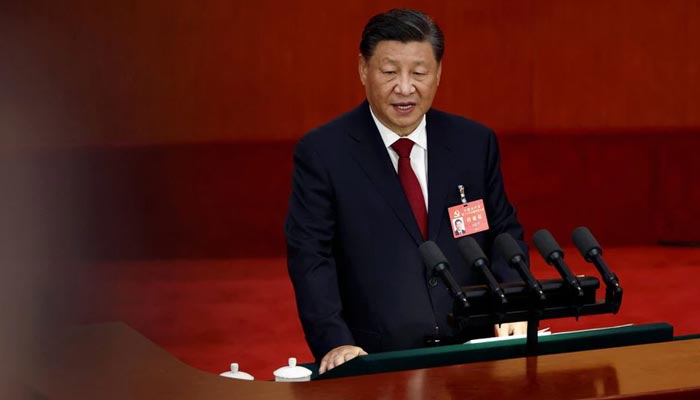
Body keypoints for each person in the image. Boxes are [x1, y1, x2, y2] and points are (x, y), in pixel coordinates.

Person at [286, 9, 527, 374]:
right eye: (388, 72)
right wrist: (334, 340)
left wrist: (513, 303)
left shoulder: (474, 144)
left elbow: (503, 234)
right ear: (363, 70)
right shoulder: (324, 153)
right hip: (375, 359)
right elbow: (311, 258)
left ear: (439, 73)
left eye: (418, 73)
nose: (404, 87)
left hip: (474, 355)